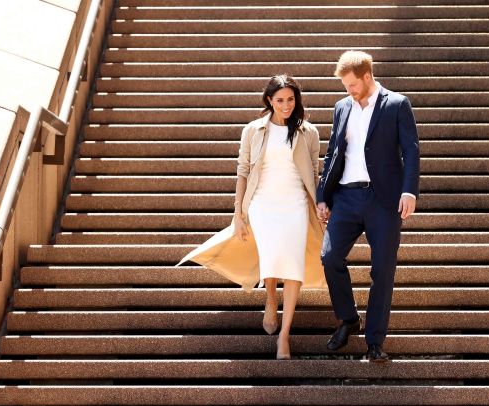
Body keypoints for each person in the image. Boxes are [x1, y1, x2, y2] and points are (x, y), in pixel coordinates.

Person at [179, 75, 326, 360]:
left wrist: (320, 205)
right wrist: (238, 213)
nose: (286, 105)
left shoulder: (309, 132)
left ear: (297, 101)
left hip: (295, 203)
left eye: (291, 100)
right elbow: (243, 171)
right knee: (271, 258)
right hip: (262, 203)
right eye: (280, 100)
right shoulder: (253, 130)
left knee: (293, 265)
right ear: (269, 101)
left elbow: (315, 174)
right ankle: (270, 298)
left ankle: (284, 335)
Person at [316, 51, 420, 363]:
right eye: (344, 85)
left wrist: (409, 191)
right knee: (329, 256)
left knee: (383, 270)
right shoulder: (341, 107)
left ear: (367, 76)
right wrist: (323, 194)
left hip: (383, 198)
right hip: (346, 197)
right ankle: (348, 319)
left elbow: (411, 150)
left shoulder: (397, 104)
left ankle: (375, 341)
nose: (349, 90)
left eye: (352, 84)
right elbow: (333, 153)